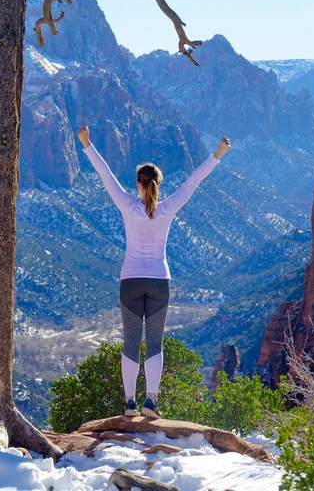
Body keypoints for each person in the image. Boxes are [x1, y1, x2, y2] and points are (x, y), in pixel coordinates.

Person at [77, 124, 231, 418]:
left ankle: (129, 403)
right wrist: (218, 154)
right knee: (155, 344)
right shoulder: (168, 208)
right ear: (158, 183)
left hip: (130, 281)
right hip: (159, 282)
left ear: (138, 183)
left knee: (131, 342)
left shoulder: (127, 205)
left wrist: (87, 144)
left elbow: (105, 174)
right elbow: (193, 181)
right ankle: (151, 401)